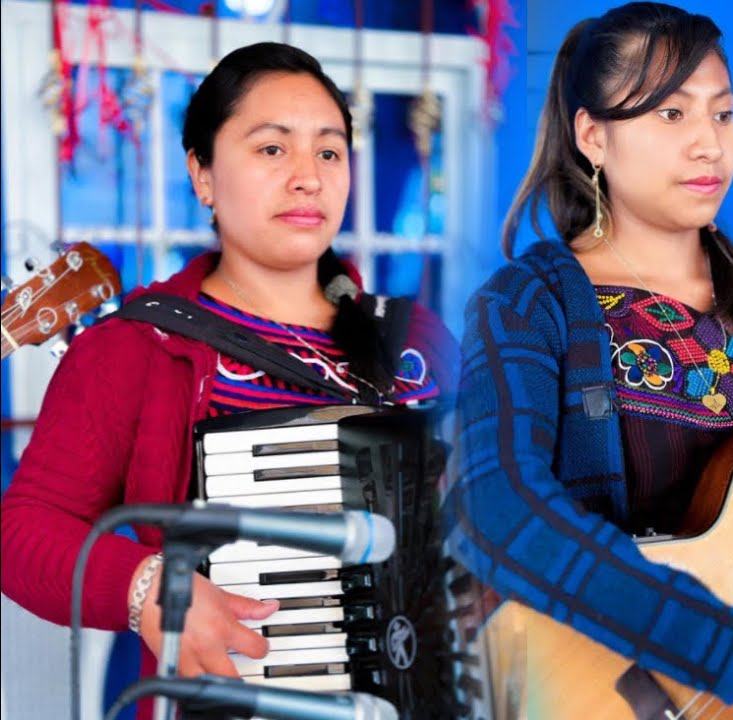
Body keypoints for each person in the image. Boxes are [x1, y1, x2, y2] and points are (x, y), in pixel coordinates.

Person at [0, 42, 456, 718]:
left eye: (329, 152)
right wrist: (146, 589)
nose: (307, 177)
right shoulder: (136, 349)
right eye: (272, 148)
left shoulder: (419, 342)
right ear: (204, 175)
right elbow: (23, 532)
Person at [443, 3, 733, 716]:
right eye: (671, 114)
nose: (709, 144)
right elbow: (495, 507)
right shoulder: (530, 303)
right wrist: (730, 655)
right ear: (593, 136)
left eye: (722, 114)